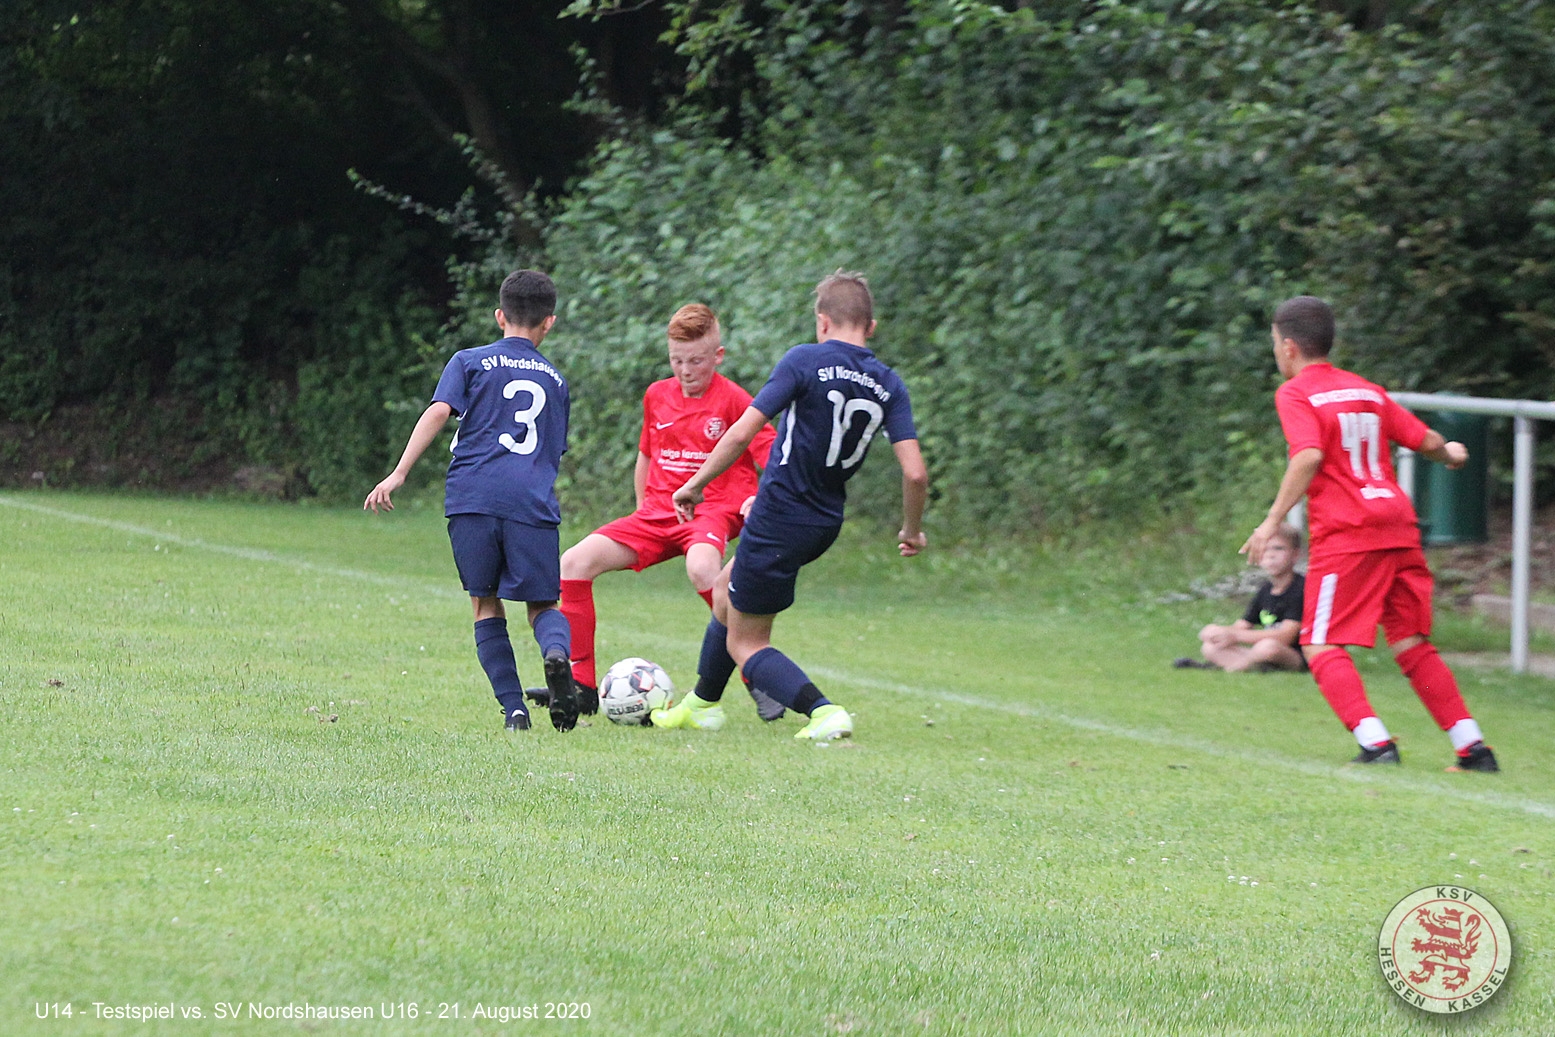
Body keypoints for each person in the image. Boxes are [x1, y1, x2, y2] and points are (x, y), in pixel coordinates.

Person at [651, 271, 929, 739]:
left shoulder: (805, 360)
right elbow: (916, 472)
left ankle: (822, 711)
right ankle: (702, 704)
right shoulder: (889, 385)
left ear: (822, 322)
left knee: (747, 640)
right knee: (724, 589)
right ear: (872, 327)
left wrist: (695, 485)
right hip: (823, 521)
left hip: (779, 513)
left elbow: (742, 431)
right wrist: (911, 529)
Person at [1241, 295, 1498, 771]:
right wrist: (1453, 456)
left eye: (1275, 343)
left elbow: (1308, 456)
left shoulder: (1295, 393)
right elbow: (1430, 441)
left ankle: (1376, 743)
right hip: (1399, 525)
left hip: (1350, 532)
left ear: (1290, 347)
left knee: (1319, 641)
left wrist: (1271, 521)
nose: (1276, 352)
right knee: (1411, 642)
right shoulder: (1364, 389)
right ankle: (1473, 748)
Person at [540, 303, 780, 718]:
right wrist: (643, 511)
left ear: (718, 356)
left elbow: (773, 454)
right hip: (658, 514)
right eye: (677, 360)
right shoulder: (657, 394)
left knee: (703, 569)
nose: (686, 370)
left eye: (697, 361)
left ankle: (755, 674)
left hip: (712, 509)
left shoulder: (736, 400)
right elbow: (646, 456)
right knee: (574, 563)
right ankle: (581, 686)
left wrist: (765, 497)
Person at [364, 270, 579, 733]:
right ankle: (557, 656)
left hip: (473, 497)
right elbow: (553, 451)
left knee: (485, 604)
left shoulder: (469, 361)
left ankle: (514, 711)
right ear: (549, 323)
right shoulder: (557, 381)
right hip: (531, 502)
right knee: (543, 605)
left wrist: (399, 473)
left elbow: (439, 411)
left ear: (500, 316)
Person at [1177, 523, 1307, 673]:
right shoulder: (1265, 589)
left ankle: (1235, 667)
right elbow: (1243, 625)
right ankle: (1253, 666)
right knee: (1210, 647)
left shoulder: (1300, 588)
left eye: (1278, 548)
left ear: (1295, 555)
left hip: (1293, 655)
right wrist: (1219, 632)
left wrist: (1235, 636)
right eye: (1265, 548)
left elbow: (1285, 637)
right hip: (1261, 652)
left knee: (1267, 647)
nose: (1270, 554)